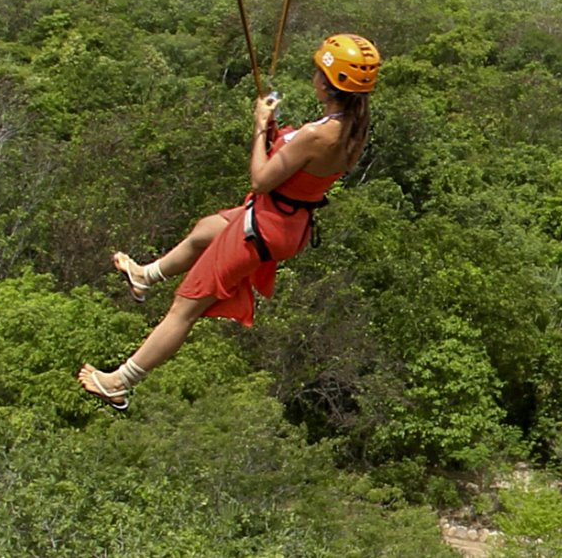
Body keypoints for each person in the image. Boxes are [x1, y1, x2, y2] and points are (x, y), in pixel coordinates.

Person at [78, 34, 380, 410]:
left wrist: (259, 127)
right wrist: (277, 132)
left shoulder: (321, 133)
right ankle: (146, 275)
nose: (313, 75)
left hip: (265, 226)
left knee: (183, 309)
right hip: (289, 223)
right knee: (207, 228)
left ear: (327, 80)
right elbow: (302, 165)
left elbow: (261, 179)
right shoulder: (353, 125)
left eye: (317, 70)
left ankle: (119, 382)